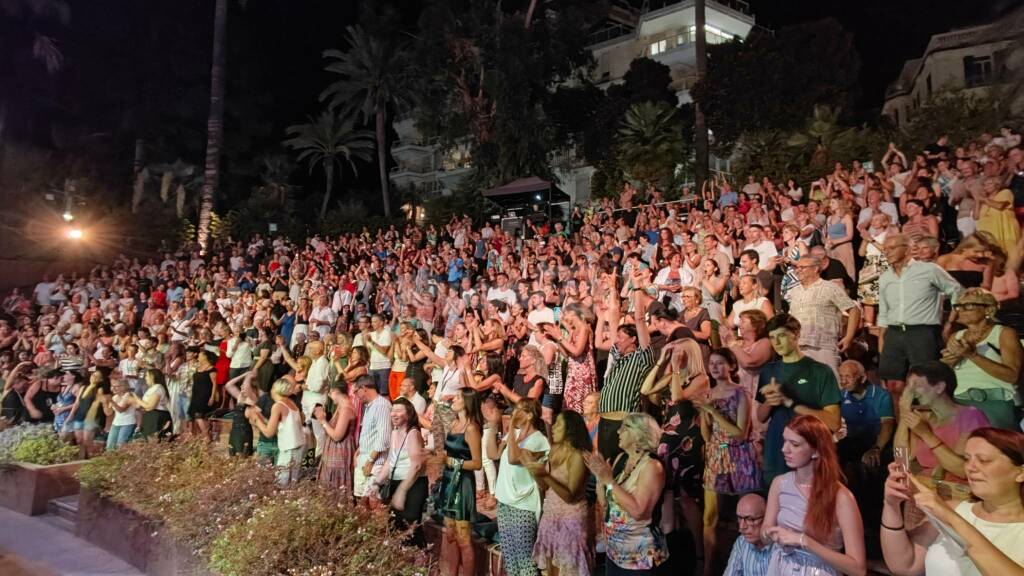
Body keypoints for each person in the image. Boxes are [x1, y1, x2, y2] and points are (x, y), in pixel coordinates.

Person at [880, 427, 1024, 575]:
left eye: (983, 460)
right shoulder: (955, 509)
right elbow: (905, 566)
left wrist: (950, 518)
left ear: (1020, 473)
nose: (970, 467)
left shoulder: (950, 513)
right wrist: (892, 505)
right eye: (967, 459)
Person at [763, 415, 867, 576]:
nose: (784, 449)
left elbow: (858, 569)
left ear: (816, 451)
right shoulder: (779, 484)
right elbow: (765, 533)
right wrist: (770, 534)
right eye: (785, 441)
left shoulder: (841, 498)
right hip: (781, 568)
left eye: (794, 444)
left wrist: (804, 541)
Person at [756, 314, 841, 487]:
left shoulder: (820, 372)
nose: (776, 343)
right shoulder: (768, 371)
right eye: (772, 337)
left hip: (810, 456)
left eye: (781, 336)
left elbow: (834, 423)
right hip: (776, 453)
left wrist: (792, 403)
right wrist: (770, 402)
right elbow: (761, 416)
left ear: (796, 335)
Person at [697, 348, 760, 573]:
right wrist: (705, 415)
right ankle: (707, 567)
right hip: (716, 454)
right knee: (709, 516)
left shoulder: (741, 393)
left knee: (746, 514)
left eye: (720, 363)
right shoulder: (709, 394)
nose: (714, 367)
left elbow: (740, 433)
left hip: (738, 455)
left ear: (732, 366)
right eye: (712, 363)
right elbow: (707, 436)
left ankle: (749, 564)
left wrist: (713, 413)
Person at [878, 233, 964, 394]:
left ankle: (928, 419)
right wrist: (882, 344)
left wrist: (950, 322)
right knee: (894, 386)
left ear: (907, 249)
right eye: (885, 249)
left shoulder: (929, 270)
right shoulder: (885, 277)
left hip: (922, 332)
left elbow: (957, 291)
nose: (887, 252)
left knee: (926, 383)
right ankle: (904, 419)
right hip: (894, 333)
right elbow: (883, 313)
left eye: (891, 248)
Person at [583, 413, 669, 575]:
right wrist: (600, 479)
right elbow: (605, 504)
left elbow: (639, 511)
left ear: (639, 433)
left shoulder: (652, 467)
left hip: (640, 556)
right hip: (615, 551)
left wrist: (610, 481)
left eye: (624, 427)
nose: (618, 432)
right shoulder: (621, 459)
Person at [941, 288, 1023, 430]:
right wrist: (949, 362)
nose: (961, 310)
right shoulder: (956, 336)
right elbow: (949, 374)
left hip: (996, 402)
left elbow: (1012, 376)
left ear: (988, 309)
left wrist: (972, 356)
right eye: (959, 306)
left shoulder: (1004, 333)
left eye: (969, 305)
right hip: (962, 402)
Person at [894, 362, 990, 482]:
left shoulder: (971, 416)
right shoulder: (921, 419)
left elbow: (962, 469)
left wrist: (926, 434)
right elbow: (901, 460)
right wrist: (904, 414)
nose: (911, 392)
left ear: (939, 387)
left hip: (956, 490)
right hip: (926, 488)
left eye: (917, 385)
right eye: (909, 386)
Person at [595, 275, 654, 462]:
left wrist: (636, 288)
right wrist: (612, 289)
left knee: (619, 465)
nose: (616, 339)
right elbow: (613, 318)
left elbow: (639, 320)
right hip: (604, 421)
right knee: (605, 467)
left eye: (621, 336)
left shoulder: (641, 358)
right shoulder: (618, 356)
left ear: (633, 339)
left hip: (623, 422)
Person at [527, 410, 593, 576]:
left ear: (570, 429)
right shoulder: (554, 450)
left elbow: (570, 495)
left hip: (571, 520)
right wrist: (535, 473)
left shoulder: (578, 456)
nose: (553, 428)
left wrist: (545, 475)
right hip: (551, 516)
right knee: (550, 570)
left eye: (558, 424)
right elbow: (545, 486)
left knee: (568, 570)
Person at [493, 399, 550, 576]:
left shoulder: (539, 441)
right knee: (510, 559)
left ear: (530, 415)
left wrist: (510, 427)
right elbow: (493, 454)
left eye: (519, 410)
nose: (515, 413)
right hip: (504, 501)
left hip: (523, 504)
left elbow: (513, 458)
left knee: (525, 561)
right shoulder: (515, 434)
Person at [785, 255, 861, 378]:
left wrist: (848, 337)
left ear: (816, 269)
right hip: (799, 348)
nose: (798, 270)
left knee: (829, 389)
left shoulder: (829, 287)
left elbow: (853, 310)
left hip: (823, 347)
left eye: (802, 267)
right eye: (797, 267)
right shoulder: (794, 291)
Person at [436, 388, 484, 576]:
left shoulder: (472, 428)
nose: (453, 399)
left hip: (462, 483)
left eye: (457, 397)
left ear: (467, 402)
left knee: (464, 539)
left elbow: (477, 463)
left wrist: (453, 462)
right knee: (451, 536)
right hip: (448, 480)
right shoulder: (455, 423)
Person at [374, 397, 428, 546]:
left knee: (410, 525)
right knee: (396, 524)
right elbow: (390, 461)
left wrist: (402, 491)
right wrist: (376, 483)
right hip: (396, 482)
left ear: (409, 413)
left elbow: (417, 465)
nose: (393, 414)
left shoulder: (413, 433)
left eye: (398, 410)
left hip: (413, 484)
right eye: (393, 410)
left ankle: (420, 559)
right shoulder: (394, 432)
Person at [247, 377, 305, 485]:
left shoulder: (278, 406)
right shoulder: (292, 403)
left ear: (276, 389)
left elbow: (269, 433)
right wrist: (261, 418)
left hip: (289, 448)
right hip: (298, 445)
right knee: (293, 482)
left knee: (282, 483)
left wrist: (256, 419)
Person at [352, 375, 392, 501]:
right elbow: (369, 434)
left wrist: (370, 460)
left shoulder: (381, 406)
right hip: (364, 460)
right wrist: (358, 451)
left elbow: (384, 438)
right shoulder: (370, 406)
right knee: (361, 502)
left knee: (373, 503)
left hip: (375, 464)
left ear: (364, 388)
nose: (356, 395)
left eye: (356, 391)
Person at [315, 381, 357, 494]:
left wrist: (322, 421)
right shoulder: (340, 407)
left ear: (336, 392)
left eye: (330, 393)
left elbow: (337, 436)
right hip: (333, 451)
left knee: (336, 486)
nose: (329, 396)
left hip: (340, 452)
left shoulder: (346, 409)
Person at [722, 494, 772, 576]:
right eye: (739, 518)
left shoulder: (781, 548)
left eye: (750, 519)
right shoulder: (741, 543)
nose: (742, 527)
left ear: (767, 517)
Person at [188, 350, 219, 442]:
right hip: (196, 394)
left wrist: (212, 396)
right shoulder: (198, 368)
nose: (198, 357)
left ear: (206, 357)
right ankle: (205, 435)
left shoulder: (212, 369)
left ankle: (207, 436)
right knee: (196, 415)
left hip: (205, 394)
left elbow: (214, 384)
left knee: (199, 415)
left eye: (200, 355)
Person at [134, 368, 172, 442]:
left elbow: (150, 406)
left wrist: (137, 399)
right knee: (149, 441)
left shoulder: (158, 388)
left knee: (156, 442)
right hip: (151, 417)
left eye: (147, 376)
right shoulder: (152, 388)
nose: (145, 378)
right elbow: (147, 408)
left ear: (153, 377)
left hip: (158, 417)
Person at [105, 377, 137, 450]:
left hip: (127, 423)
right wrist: (104, 403)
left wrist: (111, 401)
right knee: (109, 446)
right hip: (116, 423)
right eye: (112, 386)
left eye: (116, 386)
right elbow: (108, 413)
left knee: (120, 446)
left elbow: (121, 410)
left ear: (124, 387)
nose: (113, 388)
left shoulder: (129, 396)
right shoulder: (115, 397)